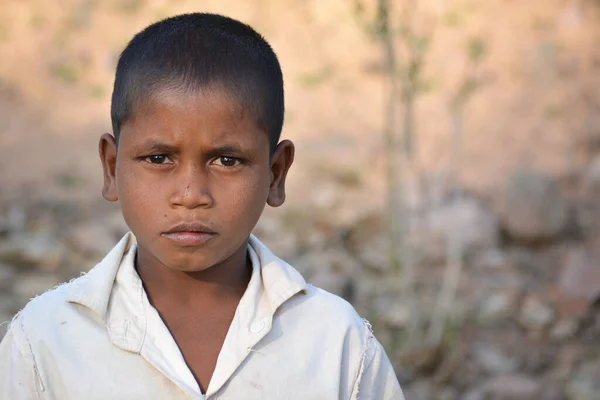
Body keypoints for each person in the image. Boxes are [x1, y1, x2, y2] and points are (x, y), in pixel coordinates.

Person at [0, 13, 404, 400]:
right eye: (159, 159)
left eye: (227, 160)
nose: (191, 194)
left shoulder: (335, 344)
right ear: (111, 166)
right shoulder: (45, 343)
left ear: (275, 174)